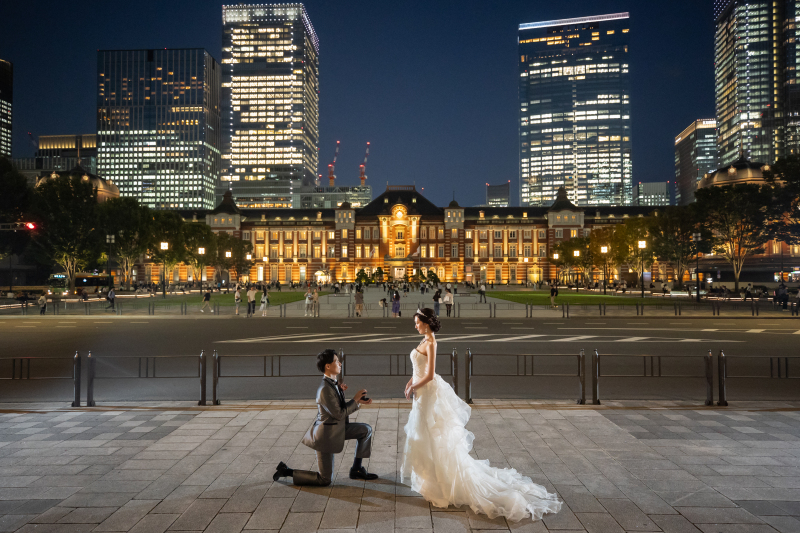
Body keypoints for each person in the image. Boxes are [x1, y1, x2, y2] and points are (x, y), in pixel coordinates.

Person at [402, 309, 561, 521]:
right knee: (425, 435)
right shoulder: (424, 339)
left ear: (426, 323)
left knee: (433, 435)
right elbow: (419, 370)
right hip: (421, 393)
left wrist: (414, 386)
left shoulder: (431, 342)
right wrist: (411, 382)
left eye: (417, 322)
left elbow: (430, 374)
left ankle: (442, 483)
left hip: (427, 393)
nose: (415, 326)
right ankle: (431, 480)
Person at [273, 349, 377, 485]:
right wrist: (355, 400)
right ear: (327, 366)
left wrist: (352, 399)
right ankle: (286, 471)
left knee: (365, 430)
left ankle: (356, 469)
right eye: (336, 361)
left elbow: (336, 409)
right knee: (324, 480)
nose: (340, 363)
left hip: (336, 429)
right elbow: (339, 414)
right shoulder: (324, 389)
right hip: (326, 436)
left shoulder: (332, 385)